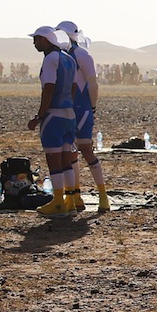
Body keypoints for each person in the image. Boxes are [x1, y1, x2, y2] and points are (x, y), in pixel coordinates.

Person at [25, 27, 83, 216]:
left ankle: (58, 202)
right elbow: (74, 87)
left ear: (47, 40)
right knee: (67, 161)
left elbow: (48, 88)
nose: (34, 43)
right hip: (69, 115)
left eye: (37, 40)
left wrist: (40, 116)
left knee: (54, 161)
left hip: (54, 116)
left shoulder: (50, 59)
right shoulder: (69, 58)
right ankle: (71, 200)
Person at [54, 20, 110, 211]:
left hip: (81, 107)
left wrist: (92, 107)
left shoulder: (81, 55)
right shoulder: (61, 56)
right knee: (68, 152)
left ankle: (103, 196)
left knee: (85, 149)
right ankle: (75, 196)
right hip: (68, 108)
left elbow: (93, 84)